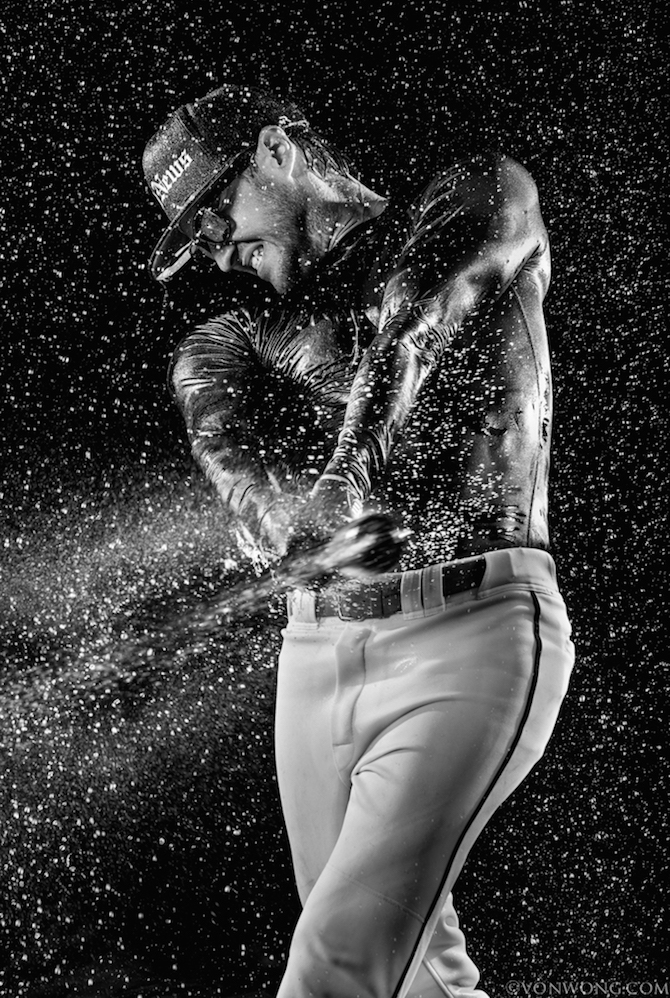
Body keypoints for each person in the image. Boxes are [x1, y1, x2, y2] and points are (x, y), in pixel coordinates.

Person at [142, 84, 575, 998]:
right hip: (317, 652)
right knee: (418, 980)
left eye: (215, 213)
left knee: (333, 968)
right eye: (197, 242)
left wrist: (343, 480)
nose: (218, 249)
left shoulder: (480, 191)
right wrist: (286, 529)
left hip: (471, 635)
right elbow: (224, 442)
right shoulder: (238, 333)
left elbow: (414, 324)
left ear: (277, 149)